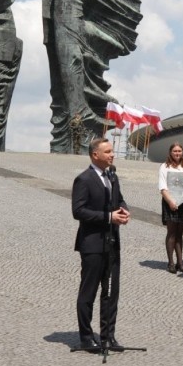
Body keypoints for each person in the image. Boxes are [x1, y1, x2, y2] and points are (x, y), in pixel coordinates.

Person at [72, 138, 130, 352]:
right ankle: (86, 337)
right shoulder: (84, 179)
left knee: (111, 292)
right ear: (95, 154)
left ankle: (108, 336)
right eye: (107, 151)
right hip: (92, 245)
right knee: (89, 293)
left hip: (112, 243)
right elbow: (78, 211)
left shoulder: (112, 177)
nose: (112, 154)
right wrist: (108, 217)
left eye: (112, 151)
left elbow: (119, 200)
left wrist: (123, 210)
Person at [158, 143, 183, 274]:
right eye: (175, 151)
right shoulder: (164, 166)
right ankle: (171, 263)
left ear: (182, 152)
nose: (177, 153)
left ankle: (180, 263)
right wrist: (170, 202)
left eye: (179, 151)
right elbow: (162, 188)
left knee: (180, 233)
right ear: (170, 152)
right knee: (171, 232)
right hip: (170, 200)